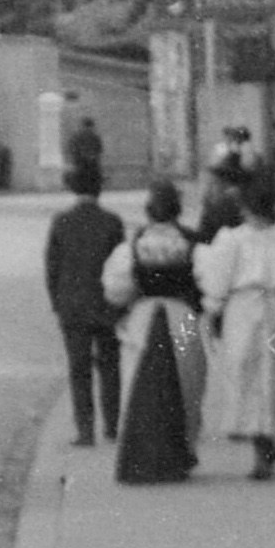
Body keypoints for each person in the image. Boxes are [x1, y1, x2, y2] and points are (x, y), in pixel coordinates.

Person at [201, 178, 275, 477]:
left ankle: (261, 439)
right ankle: (267, 435)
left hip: (243, 310)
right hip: (274, 308)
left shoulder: (232, 239)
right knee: (272, 371)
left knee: (246, 370)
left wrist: (212, 308)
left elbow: (219, 278)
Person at [109, 183, 211, 481]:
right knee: (190, 383)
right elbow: (210, 282)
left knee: (135, 380)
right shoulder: (193, 243)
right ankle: (184, 449)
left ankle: (142, 450)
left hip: (144, 312)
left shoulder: (135, 243)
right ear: (177, 210)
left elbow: (117, 290)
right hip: (182, 315)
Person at [40, 171, 128, 447]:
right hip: (105, 302)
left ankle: (85, 429)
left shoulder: (61, 221)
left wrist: (57, 301)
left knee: (78, 368)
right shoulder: (112, 222)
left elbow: (52, 267)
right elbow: (121, 265)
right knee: (110, 365)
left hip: (73, 304)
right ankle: (112, 425)